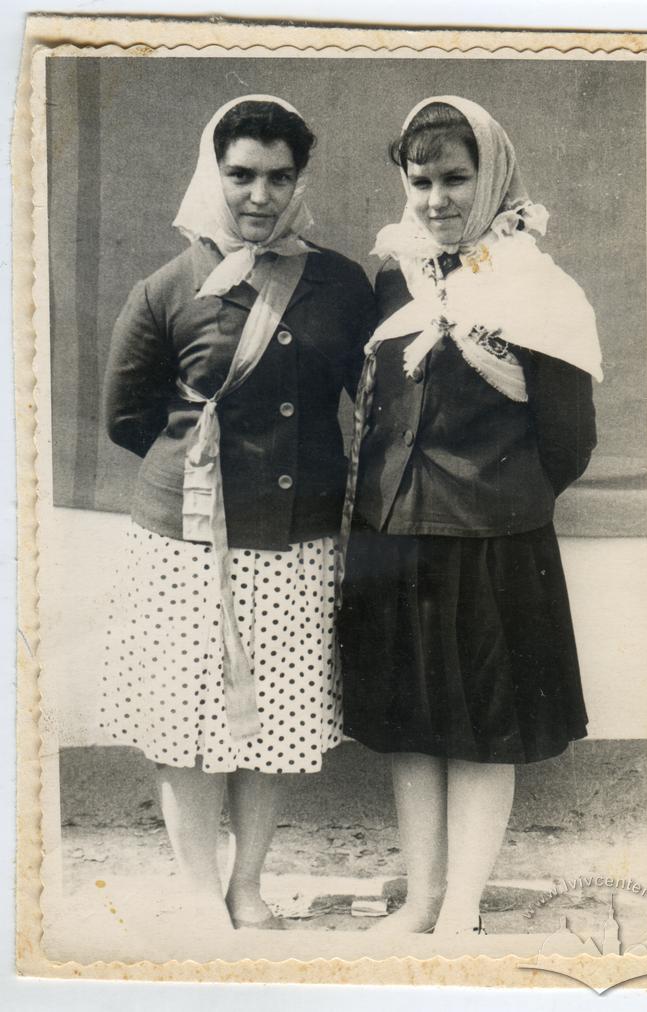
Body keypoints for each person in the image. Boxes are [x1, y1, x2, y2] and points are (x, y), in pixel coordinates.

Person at [101, 95, 374, 933]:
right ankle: (194, 888)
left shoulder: (338, 283)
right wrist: (204, 475)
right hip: (188, 540)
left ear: (300, 182)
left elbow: (361, 397)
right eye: (241, 174)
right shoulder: (170, 286)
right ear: (212, 175)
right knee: (187, 718)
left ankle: (247, 883)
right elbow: (127, 417)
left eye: (279, 177)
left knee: (276, 720)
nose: (260, 194)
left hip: (296, 541)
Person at [339, 96, 601, 939]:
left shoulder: (538, 287)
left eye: (457, 178)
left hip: (492, 540)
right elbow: (373, 400)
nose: (437, 198)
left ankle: (461, 908)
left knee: (484, 727)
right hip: (395, 535)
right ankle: (421, 899)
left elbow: (568, 442)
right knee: (413, 726)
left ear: (491, 178)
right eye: (421, 181)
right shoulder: (392, 275)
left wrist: (494, 496)